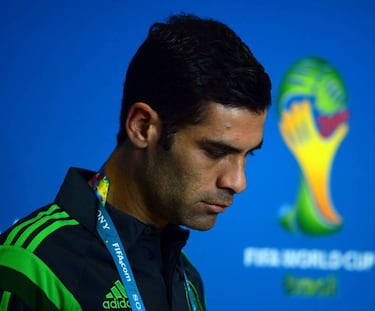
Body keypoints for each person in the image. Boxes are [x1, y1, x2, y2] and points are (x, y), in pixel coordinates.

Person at [0, 13, 271, 310]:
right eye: (216, 152)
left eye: (248, 154)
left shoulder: (188, 281)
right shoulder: (30, 264)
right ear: (142, 127)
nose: (237, 181)